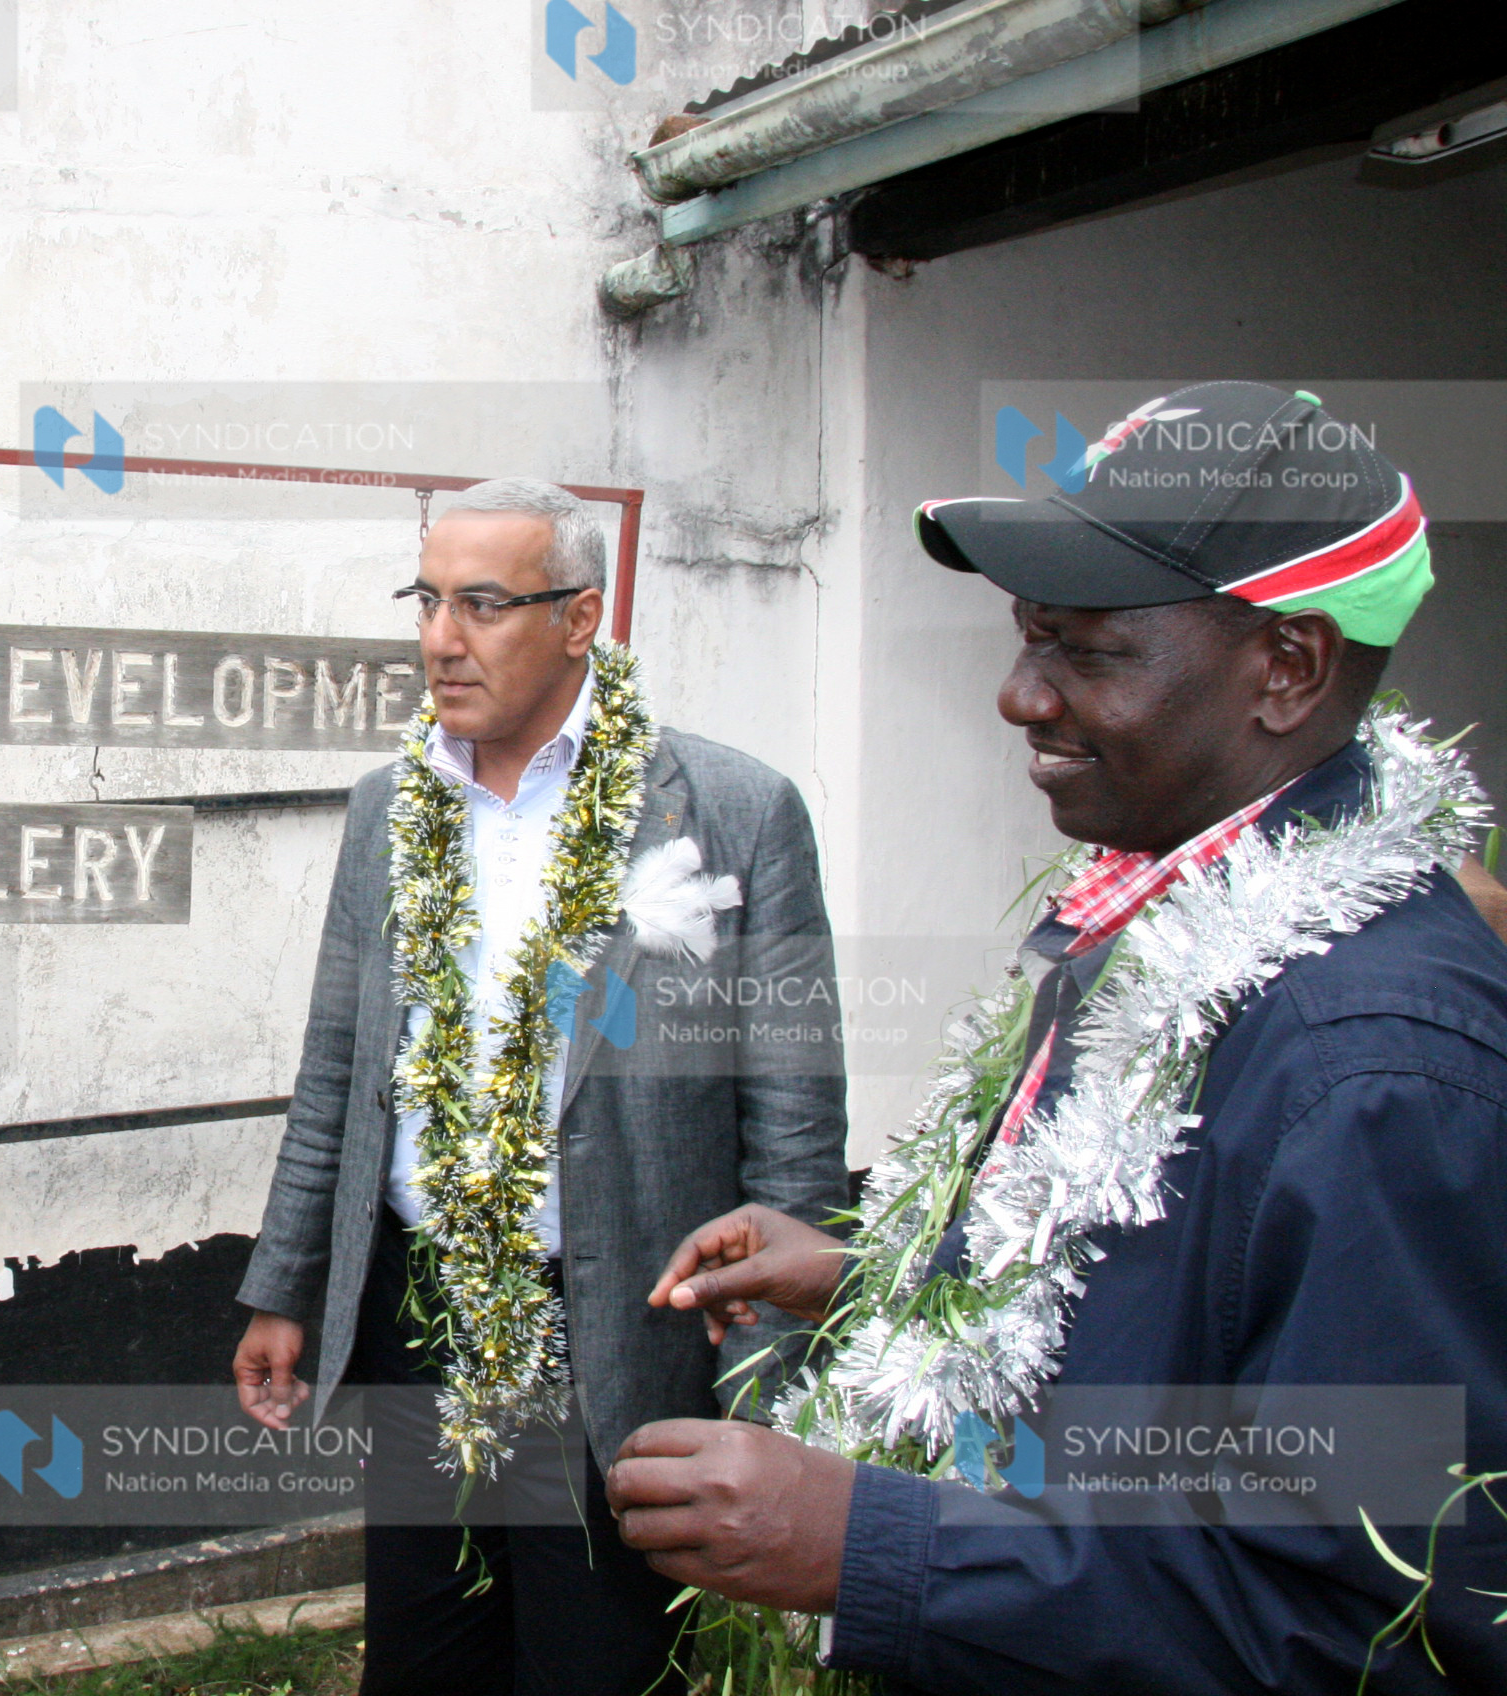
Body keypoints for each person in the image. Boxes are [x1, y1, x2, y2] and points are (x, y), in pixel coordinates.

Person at [609, 383, 1507, 1692]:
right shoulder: (1164, 917)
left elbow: (1384, 1632)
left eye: (1084, 651)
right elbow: (1145, 1306)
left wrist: (879, 1549)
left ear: (1291, 667)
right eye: (1029, 639)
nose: (1018, 698)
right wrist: (875, 1273)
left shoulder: (1377, 1065)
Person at [233, 478, 850, 1695]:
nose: (439, 640)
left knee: (603, 1663)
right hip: (427, 1316)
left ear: (580, 618)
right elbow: (336, 1074)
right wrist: (284, 1286)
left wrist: (774, 1362)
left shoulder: (731, 811)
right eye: (426, 601)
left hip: (629, 1328)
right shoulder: (387, 811)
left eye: (481, 604)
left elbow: (793, 1119)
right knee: (426, 1657)